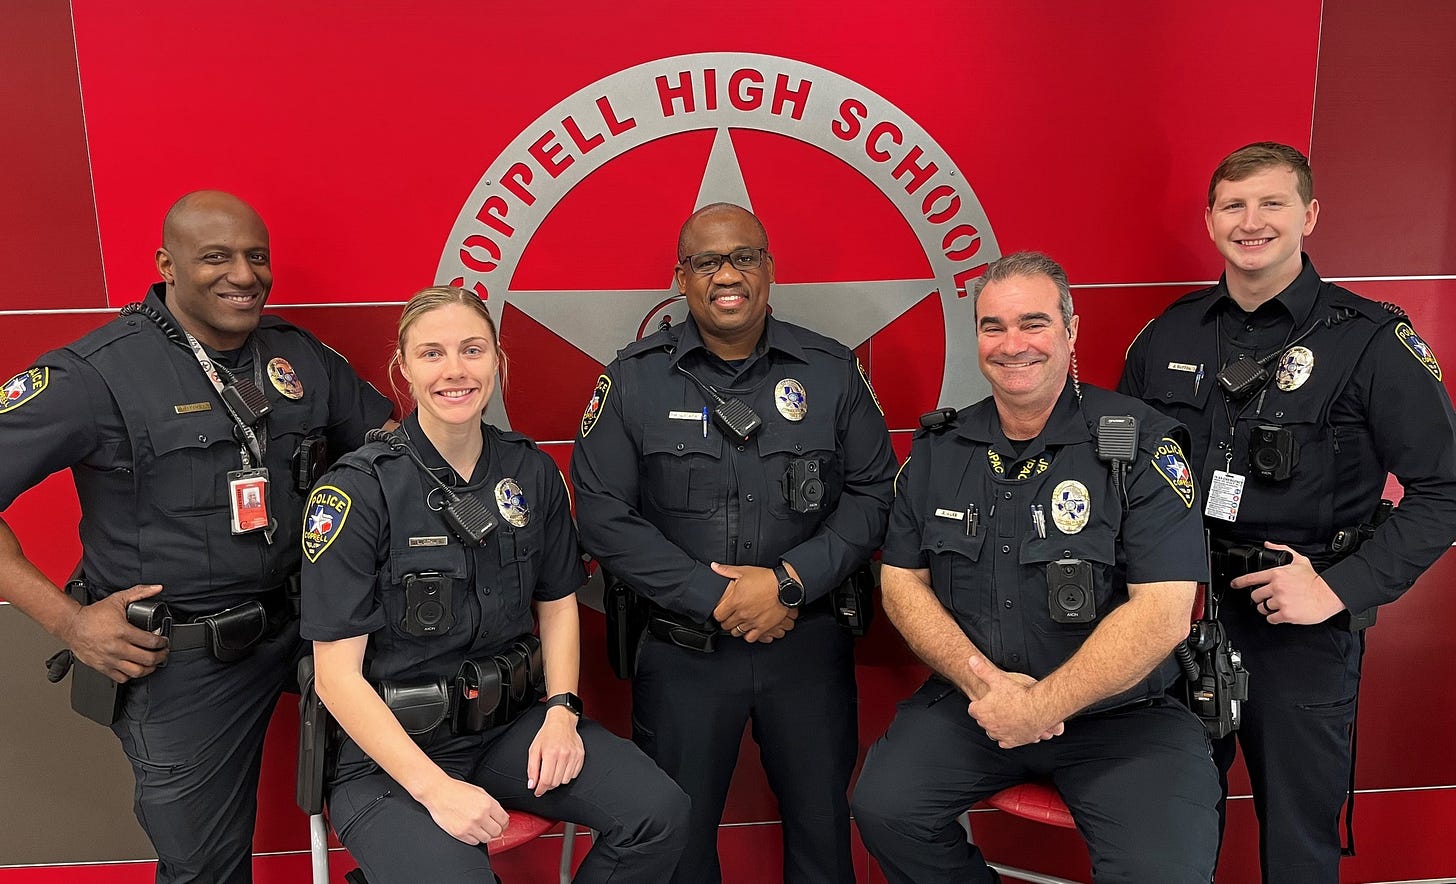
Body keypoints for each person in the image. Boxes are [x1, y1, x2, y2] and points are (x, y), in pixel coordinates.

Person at [0, 191, 393, 883]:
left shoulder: (297, 354)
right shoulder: (96, 374)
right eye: (216, 256)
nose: (243, 275)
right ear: (166, 265)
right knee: (205, 871)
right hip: (181, 660)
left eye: (256, 257)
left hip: (310, 624)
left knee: (422, 776)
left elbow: (392, 453)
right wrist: (69, 622)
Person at [1119, 142, 1456, 881]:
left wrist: (1337, 589)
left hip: (1297, 626)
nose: (1252, 222)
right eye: (1234, 205)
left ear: (1308, 214)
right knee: (1167, 829)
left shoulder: (1369, 340)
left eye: (1272, 203)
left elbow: (1444, 491)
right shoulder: (1166, 335)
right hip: (1178, 618)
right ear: (1210, 220)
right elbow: (1128, 485)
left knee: (1300, 842)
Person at [852, 251, 1221, 883]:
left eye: (1034, 323)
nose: (1012, 344)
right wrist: (989, 689)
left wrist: (1043, 704)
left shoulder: (1142, 446)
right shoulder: (938, 452)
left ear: (1071, 330)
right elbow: (902, 584)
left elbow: (1162, 613)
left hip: (1121, 717)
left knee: (1164, 872)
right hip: (978, 703)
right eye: (993, 327)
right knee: (884, 808)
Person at [301, 286, 688, 883]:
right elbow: (336, 677)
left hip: (508, 728)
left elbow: (558, 604)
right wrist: (435, 791)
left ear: (498, 362)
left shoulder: (530, 471)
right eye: (432, 354)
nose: (455, 371)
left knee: (659, 816)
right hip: (391, 758)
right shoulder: (358, 490)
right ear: (401, 369)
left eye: (472, 350)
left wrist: (562, 709)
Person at [570, 203, 897, 883]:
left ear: (769, 270)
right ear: (681, 277)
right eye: (708, 261)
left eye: (744, 257)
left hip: (806, 646)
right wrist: (718, 597)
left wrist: (787, 583)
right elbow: (602, 515)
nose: (728, 274)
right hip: (685, 654)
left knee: (822, 836)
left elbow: (875, 493)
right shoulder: (634, 378)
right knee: (678, 847)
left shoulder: (831, 371)